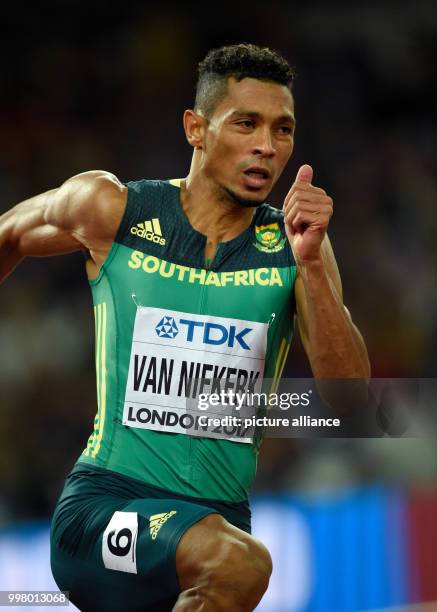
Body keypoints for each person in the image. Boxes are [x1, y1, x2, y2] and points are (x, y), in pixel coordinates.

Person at [0, 43, 370, 611]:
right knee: (243, 563)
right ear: (196, 129)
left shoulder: (295, 249)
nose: (267, 147)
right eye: (246, 124)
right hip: (102, 509)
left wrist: (313, 264)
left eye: (283, 130)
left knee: (233, 561)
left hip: (211, 526)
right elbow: (11, 233)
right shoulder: (112, 209)